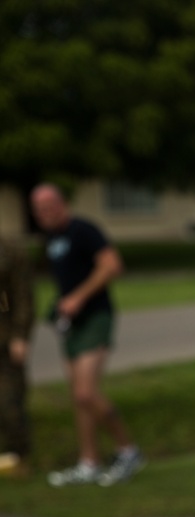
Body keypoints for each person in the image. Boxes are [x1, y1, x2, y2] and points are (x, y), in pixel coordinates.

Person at [30, 184, 142, 487]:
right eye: (38, 208)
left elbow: (112, 266)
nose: (44, 212)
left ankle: (128, 450)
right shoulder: (52, 238)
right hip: (71, 324)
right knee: (78, 399)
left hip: (95, 317)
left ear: (61, 202)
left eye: (49, 204)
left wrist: (79, 298)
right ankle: (89, 461)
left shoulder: (83, 230)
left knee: (86, 393)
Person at [0, 234, 35, 477]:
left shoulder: (10, 251)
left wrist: (20, 335)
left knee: (9, 401)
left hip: (5, 339)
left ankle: (18, 458)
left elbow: (23, 295)